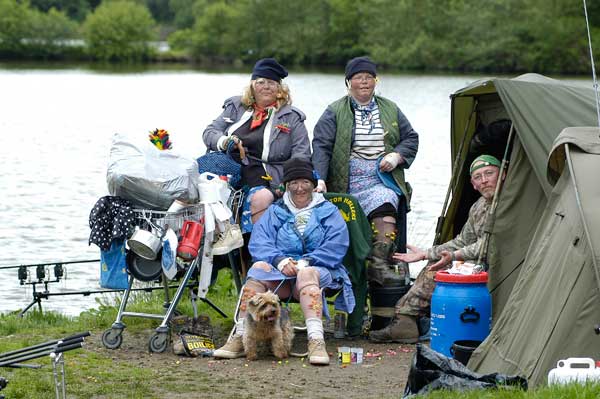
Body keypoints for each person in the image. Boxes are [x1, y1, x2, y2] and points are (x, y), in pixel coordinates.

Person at [213, 158, 354, 365]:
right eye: (293, 183)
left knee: (306, 273)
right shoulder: (275, 211)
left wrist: (306, 262)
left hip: (318, 272)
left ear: (313, 185)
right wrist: (280, 261)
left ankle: (316, 340)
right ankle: (241, 336)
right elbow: (260, 243)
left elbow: (337, 246)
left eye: (305, 182)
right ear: (286, 186)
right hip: (281, 275)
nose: (299, 188)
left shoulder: (329, 211)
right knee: (258, 268)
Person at [369, 154, 504, 343]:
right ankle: (405, 320)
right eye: (478, 177)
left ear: (503, 174)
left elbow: (489, 246)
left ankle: (406, 321)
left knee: (441, 268)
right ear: (473, 184)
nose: (484, 180)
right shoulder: (479, 206)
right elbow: (463, 240)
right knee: (435, 263)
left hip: (499, 264)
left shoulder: (506, 204)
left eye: (489, 173)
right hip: (479, 260)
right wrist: (426, 254)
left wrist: (453, 257)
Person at [312, 56, 419, 288]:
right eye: (358, 77)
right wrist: (319, 179)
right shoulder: (334, 111)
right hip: (346, 178)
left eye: (369, 77)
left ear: (375, 81)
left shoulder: (390, 108)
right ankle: (343, 271)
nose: (364, 82)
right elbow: (321, 146)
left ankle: (377, 264)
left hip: (380, 176)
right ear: (348, 82)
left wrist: (396, 156)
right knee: (347, 218)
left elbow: (411, 138)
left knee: (387, 203)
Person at [203, 58, 311, 251]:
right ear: (252, 85)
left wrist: (286, 182)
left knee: (260, 198)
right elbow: (210, 132)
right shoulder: (236, 106)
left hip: (263, 171)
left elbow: (301, 155)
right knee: (197, 184)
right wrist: (225, 141)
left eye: (271, 82)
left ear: (280, 88)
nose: (266, 87)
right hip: (228, 164)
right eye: (260, 82)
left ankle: (259, 256)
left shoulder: (291, 117)